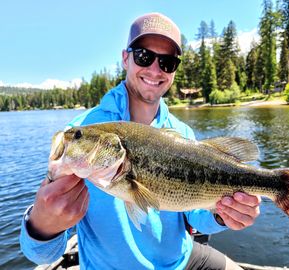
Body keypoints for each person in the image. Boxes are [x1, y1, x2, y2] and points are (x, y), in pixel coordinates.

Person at [20, 12, 261, 270]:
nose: (155, 69)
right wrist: (43, 224)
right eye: (144, 56)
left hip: (182, 261)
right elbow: (42, 255)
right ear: (126, 58)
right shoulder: (82, 131)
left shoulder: (183, 134)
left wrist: (224, 215)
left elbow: (196, 215)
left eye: (167, 62)